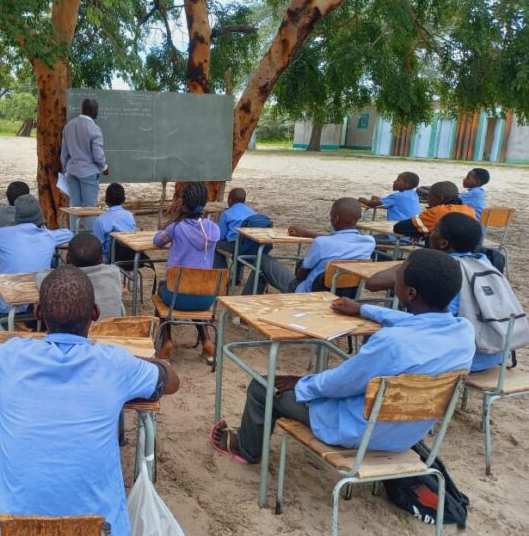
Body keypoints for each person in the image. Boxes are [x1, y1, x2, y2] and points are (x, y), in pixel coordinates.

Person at [0, 265, 179, 536]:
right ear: (95, 313)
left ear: (38, 312)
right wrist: (137, 363)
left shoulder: (10, 357)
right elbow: (171, 381)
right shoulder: (115, 364)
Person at [210, 248, 475, 464]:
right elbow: (413, 321)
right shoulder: (463, 333)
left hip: (359, 431)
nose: (395, 279)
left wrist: (301, 382)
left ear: (410, 293)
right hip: (404, 434)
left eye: (399, 276)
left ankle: (246, 450)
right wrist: (365, 310)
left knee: (263, 386)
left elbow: (341, 384)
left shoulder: (392, 343)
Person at [366, 213, 508, 373]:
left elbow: (372, 283)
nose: (428, 233)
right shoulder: (484, 261)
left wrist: (405, 265)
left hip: (463, 357)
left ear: (443, 243)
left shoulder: (441, 269)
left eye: (433, 231)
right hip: (495, 353)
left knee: (377, 337)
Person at [0, 194, 73, 314]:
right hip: (41, 305)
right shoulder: (49, 236)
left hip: (9, 306)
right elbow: (69, 234)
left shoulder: (3, 234)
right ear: (40, 216)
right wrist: (46, 231)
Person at [153, 182, 221, 361]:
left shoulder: (176, 228)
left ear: (183, 204)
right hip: (207, 297)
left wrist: (175, 216)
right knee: (194, 290)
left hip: (177, 296)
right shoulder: (214, 229)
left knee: (160, 291)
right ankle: (206, 341)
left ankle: (167, 340)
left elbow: (157, 240)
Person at [255, 198, 375, 294]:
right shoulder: (369, 242)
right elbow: (341, 240)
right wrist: (307, 234)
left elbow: (303, 272)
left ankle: (243, 312)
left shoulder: (321, 243)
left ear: (335, 218)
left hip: (310, 293)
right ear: (358, 218)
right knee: (266, 272)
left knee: (263, 260)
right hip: (345, 295)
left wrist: (298, 279)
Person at [37, 233, 124, 319]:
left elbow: (41, 275)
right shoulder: (114, 273)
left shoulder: (58, 280)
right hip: (109, 330)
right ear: (102, 259)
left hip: (74, 330)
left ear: (67, 259)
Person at [61, 98, 108, 231]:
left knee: (74, 206)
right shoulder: (94, 129)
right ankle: (90, 238)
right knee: (89, 208)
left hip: (72, 171)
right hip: (88, 173)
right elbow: (98, 154)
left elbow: (64, 152)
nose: (98, 112)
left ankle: (73, 235)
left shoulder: (69, 126)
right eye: (97, 109)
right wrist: (104, 167)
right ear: (91, 110)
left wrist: (66, 169)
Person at [393, 181, 475, 241]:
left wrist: (419, 232)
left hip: (443, 256)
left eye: (430, 197)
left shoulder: (437, 211)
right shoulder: (469, 210)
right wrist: (423, 232)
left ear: (440, 199)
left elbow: (399, 228)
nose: (428, 200)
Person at [93, 183, 137, 262]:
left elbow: (98, 245)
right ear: (123, 199)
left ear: (106, 200)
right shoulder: (130, 215)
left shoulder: (101, 219)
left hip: (109, 259)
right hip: (131, 256)